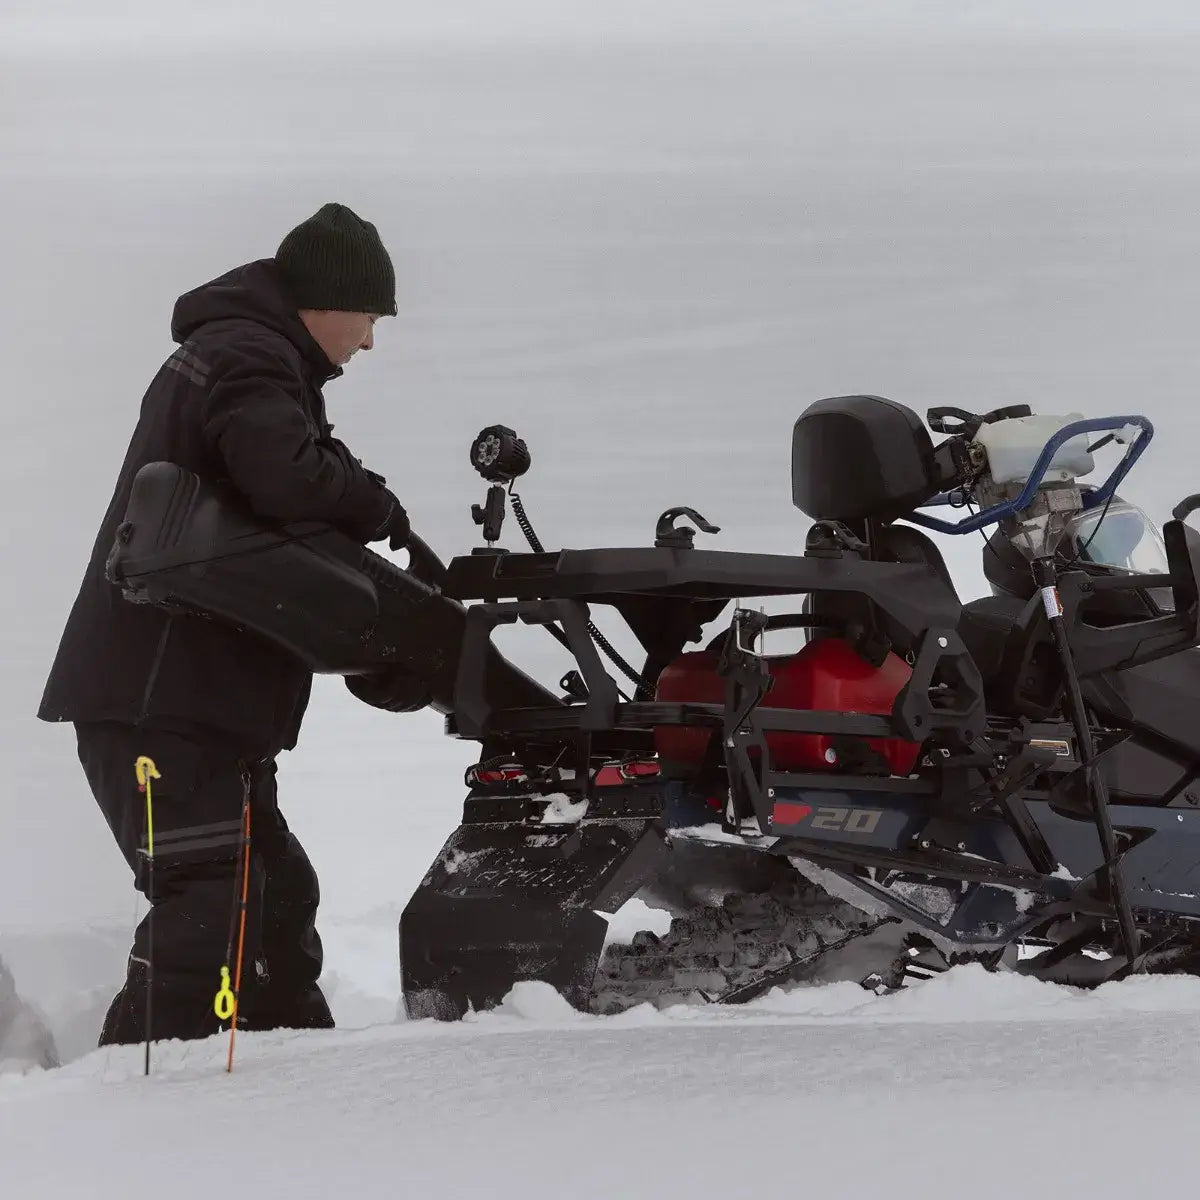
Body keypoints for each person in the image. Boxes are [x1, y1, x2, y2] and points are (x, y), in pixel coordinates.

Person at [37, 203, 411, 1046]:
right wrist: (366, 498)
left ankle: (296, 1065)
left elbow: (272, 493)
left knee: (273, 896)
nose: (370, 343)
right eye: (371, 319)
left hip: (197, 705)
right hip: (159, 702)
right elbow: (281, 477)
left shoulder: (252, 357)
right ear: (331, 299)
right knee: (207, 895)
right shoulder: (247, 354)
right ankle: (132, 1087)